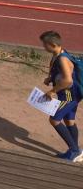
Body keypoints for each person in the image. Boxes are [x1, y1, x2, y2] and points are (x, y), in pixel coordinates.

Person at [39, 30, 82, 161]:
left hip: (69, 95)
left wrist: (52, 91)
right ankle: (75, 150)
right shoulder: (57, 54)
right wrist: (49, 78)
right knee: (69, 121)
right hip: (67, 94)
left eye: (44, 44)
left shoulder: (63, 59)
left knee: (54, 119)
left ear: (52, 44)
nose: (43, 47)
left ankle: (74, 150)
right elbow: (58, 73)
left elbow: (68, 81)